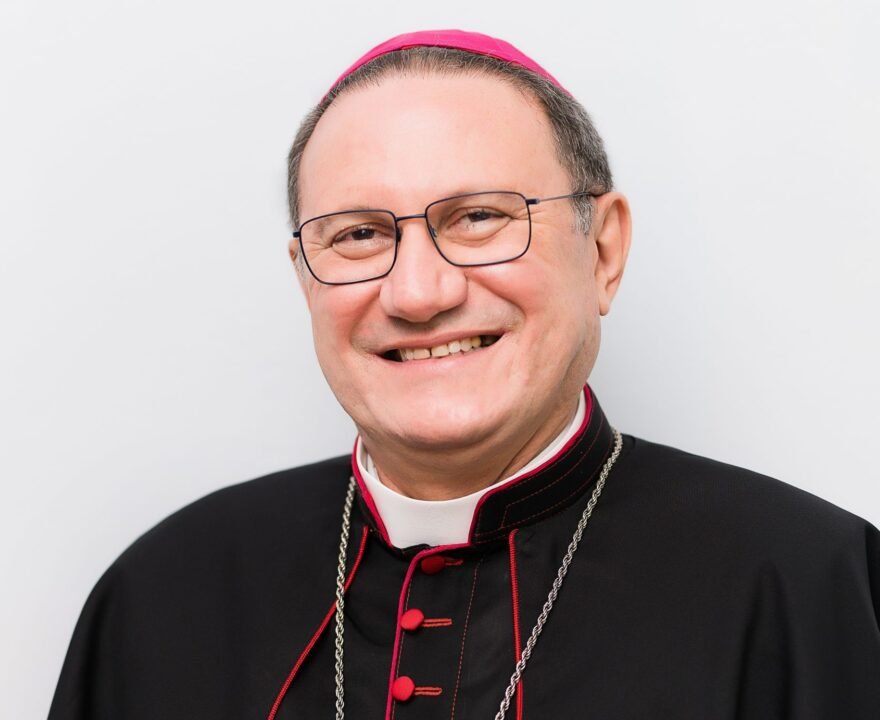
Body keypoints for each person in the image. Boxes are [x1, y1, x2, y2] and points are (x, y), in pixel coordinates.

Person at [48, 29, 880, 720]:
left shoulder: (808, 584)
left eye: (479, 217)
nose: (419, 294)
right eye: (359, 235)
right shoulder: (165, 594)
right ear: (305, 279)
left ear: (603, 251)